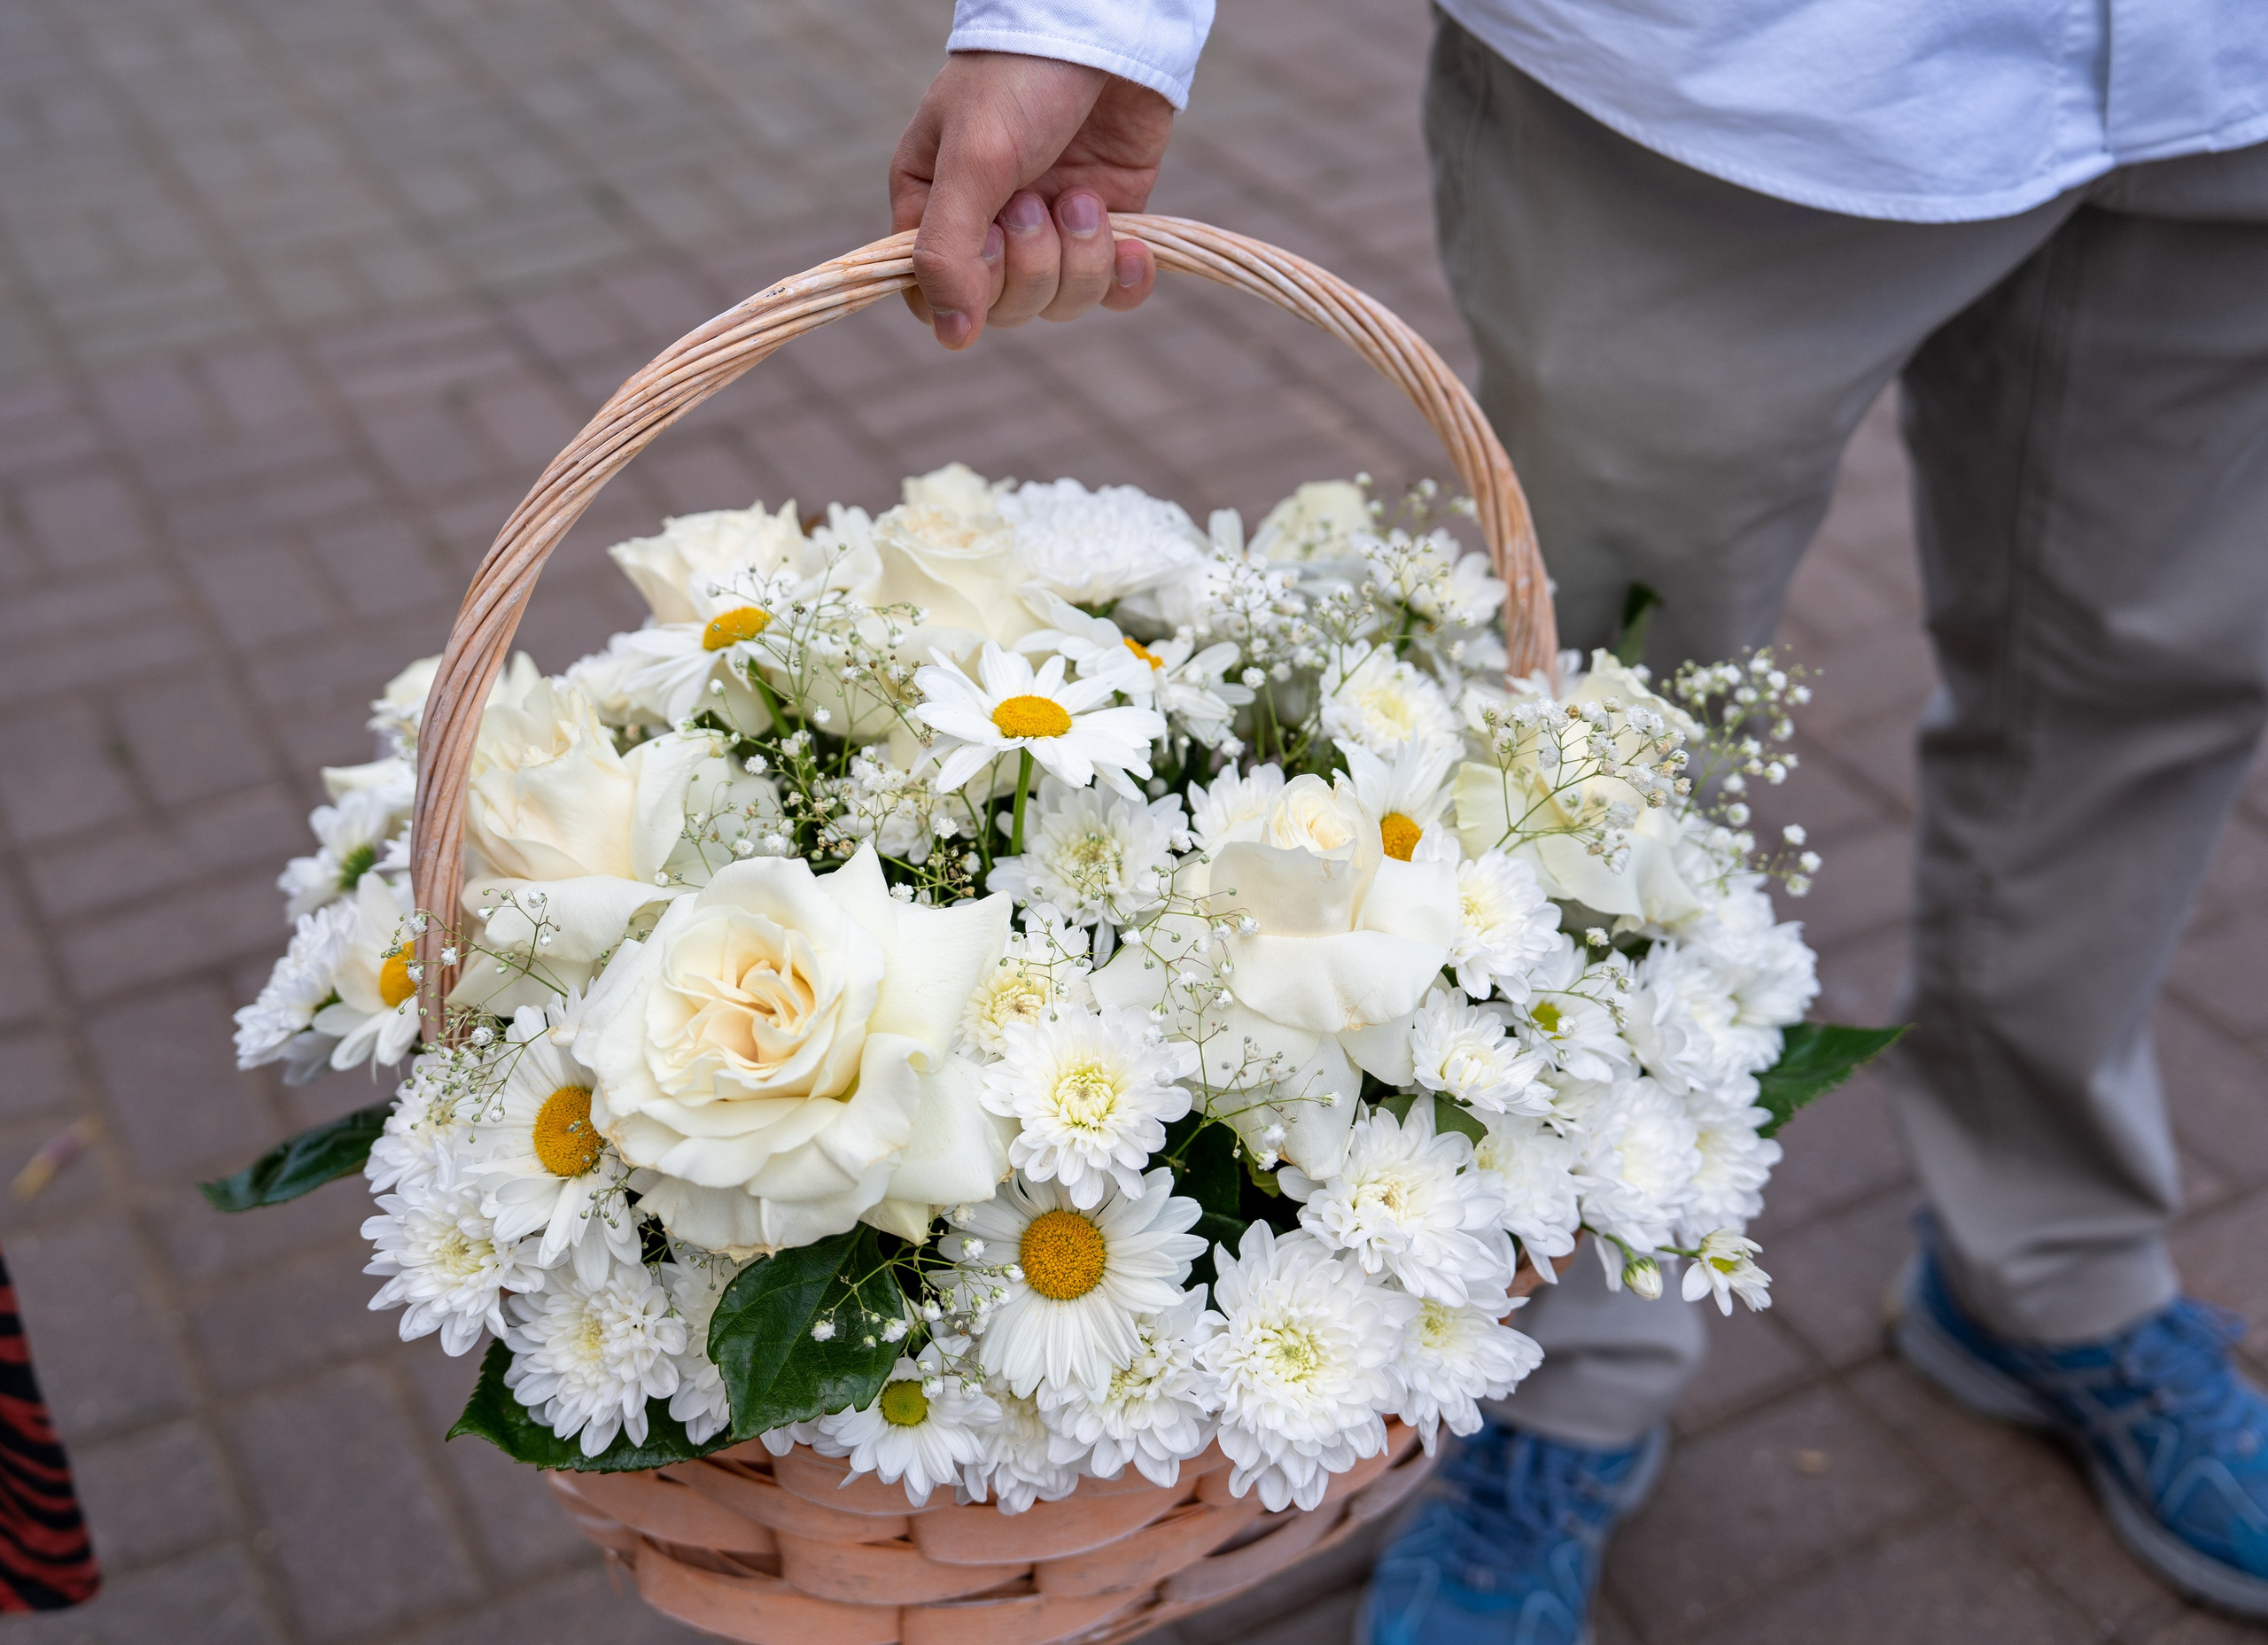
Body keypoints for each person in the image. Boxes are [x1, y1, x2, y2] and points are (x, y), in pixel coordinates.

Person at [887, 3, 2268, 1638]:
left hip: (2227, 92)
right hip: (1729, 86)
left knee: (2143, 679)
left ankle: (2056, 1265)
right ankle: (1555, 1377)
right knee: (1582, 732)